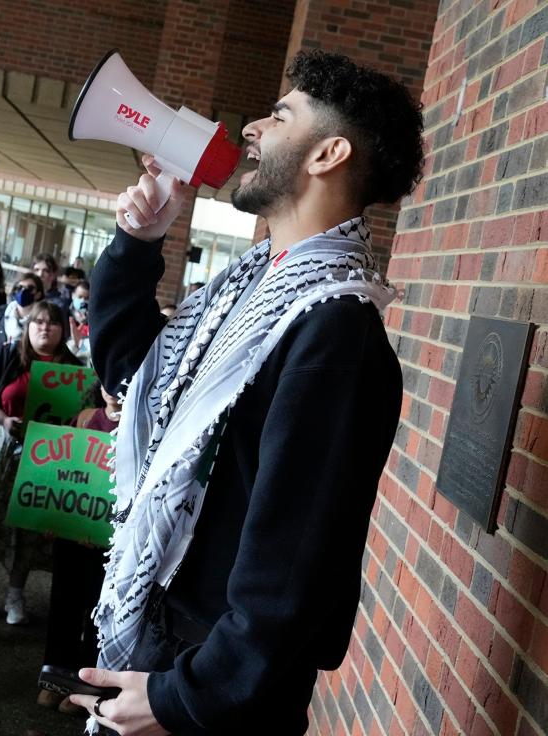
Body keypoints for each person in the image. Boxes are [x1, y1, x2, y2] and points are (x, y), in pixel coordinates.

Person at [73, 50, 421, 735]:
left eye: (279, 113)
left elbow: (293, 561)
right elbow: (127, 374)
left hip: (211, 687)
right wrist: (138, 244)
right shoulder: (245, 293)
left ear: (327, 154)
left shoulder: (335, 332)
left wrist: (187, 696)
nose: (254, 128)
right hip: (169, 646)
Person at [0, 300, 81, 626]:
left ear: (62, 329)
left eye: (52, 323)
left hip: (45, 457)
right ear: (28, 325)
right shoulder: (9, 355)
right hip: (2, 450)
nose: (44, 327)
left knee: (28, 526)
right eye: (38, 321)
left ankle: (15, 594)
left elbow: (81, 416)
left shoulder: (75, 368)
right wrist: (3, 419)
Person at [37, 383, 120, 715]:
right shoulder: (85, 420)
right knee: (63, 605)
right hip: (72, 535)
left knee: (97, 611)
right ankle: (53, 680)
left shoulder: (143, 424)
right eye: (108, 381)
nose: (114, 390)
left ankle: (83, 687)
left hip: (110, 538)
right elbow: (63, 474)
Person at [0, 272, 44, 373]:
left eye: (30, 288)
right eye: (20, 287)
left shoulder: (42, 323)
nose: (23, 291)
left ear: (38, 294)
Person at [67, 280, 91, 365]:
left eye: (87, 298)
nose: (83, 301)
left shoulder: (93, 322)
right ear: (73, 295)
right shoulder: (64, 314)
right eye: (80, 297)